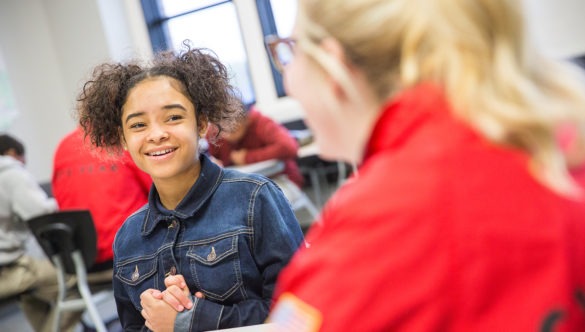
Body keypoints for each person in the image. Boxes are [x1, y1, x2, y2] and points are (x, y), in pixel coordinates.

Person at [265, 0, 585, 330]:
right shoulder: (562, 145)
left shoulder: (377, 229)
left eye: (293, 51)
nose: (289, 79)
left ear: (334, 64)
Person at [75, 44, 304, 331]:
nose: (157, 134)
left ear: (201, 123)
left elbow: (299, 310)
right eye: (138, 125)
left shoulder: (255, 199)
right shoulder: (128, 238)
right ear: (122, 139)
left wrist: (190, 319)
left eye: (173, 117)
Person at [0, 134, 79, 332]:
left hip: (10, 271)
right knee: (74, 282)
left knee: (31, 294)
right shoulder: (10, 173)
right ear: (12, 153)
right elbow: (40, 213)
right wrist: (63, 200)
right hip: (11, 270)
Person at [52, 126, 151, 276]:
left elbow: (60, 200)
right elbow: (162, 193)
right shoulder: (124, 141)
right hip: (130, 256)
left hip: (79, 261)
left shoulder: (63, 146)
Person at [206, 104, 304, 188]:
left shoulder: (261, 123)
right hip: (241, 186)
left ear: (247, 120)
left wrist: (247, 157)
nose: (227, 135)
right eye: (224, 131)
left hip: (279, 180)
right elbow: (210, 158)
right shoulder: (214, 132)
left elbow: (289, 147)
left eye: (234, 130)